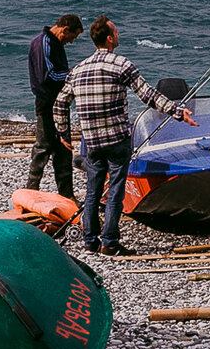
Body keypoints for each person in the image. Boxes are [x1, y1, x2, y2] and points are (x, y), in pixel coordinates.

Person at [53, 16, 197, 257]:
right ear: (109, 38)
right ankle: (109, 242)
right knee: (115, 191)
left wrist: (63, 133)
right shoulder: (122, 65)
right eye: (116, 32)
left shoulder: (78, 69)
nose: (118, 35)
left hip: (93, 142)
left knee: (92, 190)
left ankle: (90, 241)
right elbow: (148, 95)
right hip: (117, 139)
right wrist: (178, 112)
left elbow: (60, 103)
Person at [26, 14, 84, 199]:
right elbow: (48, 76)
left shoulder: (54, 43)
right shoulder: (43, 42)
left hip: (60, 104)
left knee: (64, 150)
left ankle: (67, 196)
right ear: (65, 29)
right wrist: (71, 75)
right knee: (43, 148)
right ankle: (31, 192)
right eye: (71, 37)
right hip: (47, 103)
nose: (71, 41)